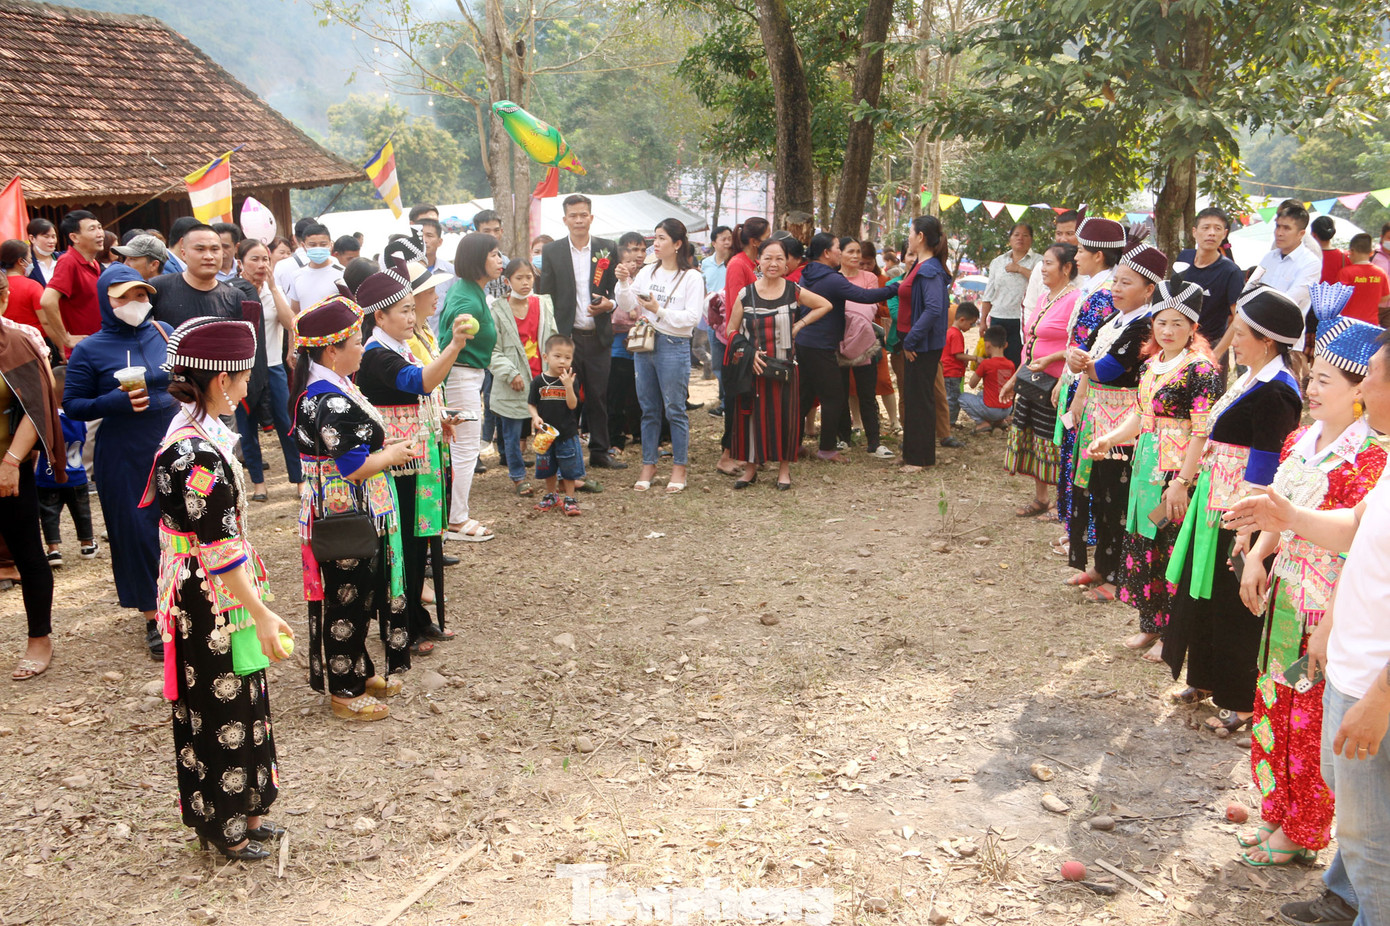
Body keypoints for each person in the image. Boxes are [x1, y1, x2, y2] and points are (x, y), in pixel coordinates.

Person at [1223, 324, 1390, 926]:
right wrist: (1268, 543)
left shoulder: (1374, 457)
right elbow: (1315, 517)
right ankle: (1291, 822)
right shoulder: (1312, 441)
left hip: (1339, 621)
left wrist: (1332, 625)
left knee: (1317, 729)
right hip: (1303, 601)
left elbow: (1354, 552)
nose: (1309, 387)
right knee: (1282, 710)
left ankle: (1306, 834)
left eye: (1325, 379)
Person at [141, 316, 292, 860]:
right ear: (220, 379)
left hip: (216, 589)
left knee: (244, 689)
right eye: (244, 377)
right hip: (207, 597)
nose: (248, 388)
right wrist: (262, 611)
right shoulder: (195, 454)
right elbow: (219, 546)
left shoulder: (201, 436)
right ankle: (223, 823)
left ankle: (250, 810)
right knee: (218, 697)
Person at [1162, 286, 1306, 733]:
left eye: (1240, 333)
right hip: (1215, 502)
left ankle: (1240, 699)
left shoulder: (1277, 392)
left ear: (1266, 341)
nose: (1232, 340)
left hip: (1239, 511)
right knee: (1203, 592)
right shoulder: (1247, 378)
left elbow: (1265, 466)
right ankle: (1205, 679)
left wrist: (1248, 528)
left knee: (1234, 604)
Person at [292, 296, 416, 720]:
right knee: (347, 597)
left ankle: (359, 671)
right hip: (346, 513)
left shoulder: (334, 389)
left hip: (350, 511)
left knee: (361, 595)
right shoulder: (331, 401)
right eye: (357, 342)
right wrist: (395, 454)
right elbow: (356, 468)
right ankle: (344, 691)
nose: (363, 348)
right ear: (332, 350)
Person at [1085, 282, 1221, 657]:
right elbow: (1141, 416)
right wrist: (1109, 439)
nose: (1168, 331)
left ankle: (1173, 634)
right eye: (1162, 322)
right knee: (1146, 542)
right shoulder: (1152, 364)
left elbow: (1202, 432)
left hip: (1176, 472)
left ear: (1193, 327)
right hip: (1146, 468)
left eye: (1178, 323)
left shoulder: (1201, 371)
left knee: (1171, 547)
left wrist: (1183, 482)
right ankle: (1151, 623)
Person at [355, 260, 474, 653]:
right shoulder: (376, 355)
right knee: (400, 544)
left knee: (418, 541)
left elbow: (419, 396)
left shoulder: (400, 345)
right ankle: (398, 627)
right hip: (395, 464)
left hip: (415, 460)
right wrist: (456, 345)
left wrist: (437, 417)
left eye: (411, 308)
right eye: (404, 310)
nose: (411, 316)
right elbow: (420, 382)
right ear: (380, 316)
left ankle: (417, 621)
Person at [64, 264, 178, 660]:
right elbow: (72, 404)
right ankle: (153, 615)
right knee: (136, 529)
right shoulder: (89, 349)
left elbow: (188, 376)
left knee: (182, 522)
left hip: (173, 438)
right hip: (123, 450)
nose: (135, 304)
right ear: (104, 300)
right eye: (123, 297)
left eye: (141, 295)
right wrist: (112, 402)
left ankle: (188, 600)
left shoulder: (165, 332)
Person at [1063, 244, 1168, 602]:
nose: (1117, 289)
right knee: (1099, 495)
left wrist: (1080, 361)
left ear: (1149, 289)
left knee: (1118, 501)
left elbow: (1106, 368)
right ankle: (1102, 565)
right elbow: (1090, 361)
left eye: (1127, 283)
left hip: (1124, 425)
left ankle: (1119, 575)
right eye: (1116, 282)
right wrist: (1080, 366)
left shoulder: (1145, 327)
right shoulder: (1116, 320)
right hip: (1098, 418)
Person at [725, 237, 832, 490]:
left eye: (779, 259)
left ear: (787, 264)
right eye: (768, 258)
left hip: (784, 367)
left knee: (785, 417)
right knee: (750, 417)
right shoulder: (746, 293)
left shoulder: (793, 290)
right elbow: (731, 329)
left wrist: (799, 325)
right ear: (758, 261)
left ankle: (784, 470)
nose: (773, 264)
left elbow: (825, 305)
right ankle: (750, 469)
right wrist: (749, 355)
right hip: (755, 367)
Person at [0, 269, 66, 681]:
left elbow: (36, 408)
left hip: (7, 468)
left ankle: (39, 638)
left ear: (3, 297)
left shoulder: (17, 343)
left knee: (27, 552)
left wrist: (11, 461)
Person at [614, 218, 706, 493]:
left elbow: (692, 318)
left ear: (677, 244)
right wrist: (623, 282)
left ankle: (680, 467)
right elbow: (628, 304)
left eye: (662, 238)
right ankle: (648, 464)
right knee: (648, 408)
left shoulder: (691, 277)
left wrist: (659, 310)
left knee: (675, 408)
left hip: (674, 345)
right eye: (655, 237)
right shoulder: (647, 272)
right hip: (646, 344)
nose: (656, 243)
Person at [536, 195, 625, 470]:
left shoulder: (607, 248)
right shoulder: (552, 252)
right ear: (565, 220)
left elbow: (616, 291)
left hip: (597, 336)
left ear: (591, 218)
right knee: (564, 395)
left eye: (583, 214)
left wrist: (610, 305)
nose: (578, 220)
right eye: (573, 215)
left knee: (598, 395)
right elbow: (546, 295)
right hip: (567, 338)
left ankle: (600, 451)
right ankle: (566, 450)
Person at [1054, 218, 1128, 546]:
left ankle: (1084, 533)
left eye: (1082, 250)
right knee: (1075, 459)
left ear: (1099, 256)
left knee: (1082, 461)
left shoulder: (1103, 294)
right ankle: (1076, 529)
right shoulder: (1094, 287)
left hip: (1087, 384)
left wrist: (1071, 381)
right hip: (1079, 379)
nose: (1077, 255)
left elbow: (1087, 347)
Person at [798, 233, 897, 464]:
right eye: (838, 248)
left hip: (806, 342)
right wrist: (895, 289)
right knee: (833, 397)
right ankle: (827, 449)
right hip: (821, 345)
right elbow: (862, 296)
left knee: (805, 395)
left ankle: (791, 444)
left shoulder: (808, 274)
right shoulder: (831, 278)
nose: (841, 253)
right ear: (827, 253)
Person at [1002, 243, 1082, 513]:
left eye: (1048, 263)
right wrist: (1014, 378)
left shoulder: (1076, 299)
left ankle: (1060, 503)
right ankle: (1041, 498)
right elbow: (1030, 344)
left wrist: (1061, 378)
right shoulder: (1044, 298)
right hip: (1031, 380)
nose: (1042, 268)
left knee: (1052, 441)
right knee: (1033, 438)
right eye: (1043, 263)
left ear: (1067, 268)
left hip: (1055, 383)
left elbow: (1077, 345)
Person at [437, 232, 504, 541]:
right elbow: (451, 331)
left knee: (462, 448)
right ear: (478, 260)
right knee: (465, 449)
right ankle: (456, 519)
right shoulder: (465, 296)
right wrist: (459, 327)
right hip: (461, 377)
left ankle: (452, 514)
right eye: (493, 255)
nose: (499, 259)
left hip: (469, 375)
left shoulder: (473, 290)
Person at [230, 239, 300, 498]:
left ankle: (298, 478)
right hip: (244, 369)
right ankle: (258, 483)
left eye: (265, 260)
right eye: (254, 260)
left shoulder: (274, 290)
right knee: (246, 426)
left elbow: (289, 323)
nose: (261, 265)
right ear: (240, 263)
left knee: (286, 423)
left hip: (273, 367)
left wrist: (272, 287)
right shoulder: (232, 291)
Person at [491, 258, 556, 496]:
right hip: (514, 380)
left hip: (543, 377)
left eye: (529, 277)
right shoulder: (497, 309)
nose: (525, 282)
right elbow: (492, 349)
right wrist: (510, 373)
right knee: (512, 430)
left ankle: (548, 471)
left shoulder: (543, 303)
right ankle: (518, 477)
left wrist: (557, 367)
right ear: (508, 281)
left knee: (546, 428)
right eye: (519, 278)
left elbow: (554, 337)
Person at [897, 217, 953, 472]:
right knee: (914, 397)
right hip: (916, 341)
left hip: (922, 345)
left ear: (920, 237)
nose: (908, 237)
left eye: (910, 232)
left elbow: (933, 309)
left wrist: (911, 340)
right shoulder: (921, 266)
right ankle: (912, 453)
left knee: (920, 399)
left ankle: (919, 459)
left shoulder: (929, 269)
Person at [717, 219, 770, 477]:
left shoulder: (756, 264)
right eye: (768, 236)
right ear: (756, 241)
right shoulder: (738, 264)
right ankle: (726, 455)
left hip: (757, 341)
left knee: (752, 399)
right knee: (736, 399)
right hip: (741, 343)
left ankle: (748, 453)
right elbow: (739, 305)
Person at [35, 365, 95, 567]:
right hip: (76, 474)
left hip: (47, 475)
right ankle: (86, 543)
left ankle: (54, 549)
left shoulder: (45, 419)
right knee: (82, 512)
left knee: (49, 514)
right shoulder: (79, 417)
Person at [838, 237, 893, 458]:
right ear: (839, 253)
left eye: (858, 251)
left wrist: (848, 312)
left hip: (865, 343)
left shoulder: (870, 277)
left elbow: (869, 307)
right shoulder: (834, 278)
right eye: (850, 251)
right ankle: (842, 438)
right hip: (838, 343)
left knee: (867, 394)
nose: (855, 256)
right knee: (840, 393)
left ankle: (874, 442)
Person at [1174, 207, 1245, 376]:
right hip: (1179, 343)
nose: (1211, 233)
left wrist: (1217, 353)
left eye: (1217, 228)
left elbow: (1239, 318)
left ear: (1224, 234)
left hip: (1211, 345)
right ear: (1194, 232)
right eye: (1206, 228)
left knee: (1208, 401)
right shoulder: (1184, 258)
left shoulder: (1231, 271)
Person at [528, 334, 586, 514]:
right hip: (545, 435)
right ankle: (551, 495)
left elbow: (573, 405)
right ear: (546, 357)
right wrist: (535, 416)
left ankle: (570, 498)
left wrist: (568, 386)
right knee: (547, 467)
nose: (562, 361)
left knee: (569, 467)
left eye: (567, 358)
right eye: (557, 356)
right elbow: (532, 403)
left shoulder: (570, 380)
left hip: (567, 433)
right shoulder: (538, 381)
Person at [150, 225, 244, 327]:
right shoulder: (157, 288)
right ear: (184, 254)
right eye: (200, 249)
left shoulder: (235, 297)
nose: (209, 256)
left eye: (214, 249)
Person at [38, 210, 104, 355]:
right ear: (74, 237)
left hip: (99, 344)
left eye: (99, 227)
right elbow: (47, 301)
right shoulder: (68, 261)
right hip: (85, 351)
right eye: (92, 229)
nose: (100, 233)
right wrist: (66, 339)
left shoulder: (93, 263)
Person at [606, 233, 648, 455]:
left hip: (645, 344)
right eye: (632, 251)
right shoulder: (613, 278)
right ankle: (616, 439)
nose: (637, 256)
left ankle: (642, 433)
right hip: (619, 345)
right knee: (617, 393)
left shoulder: (650, 275)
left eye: (641, 250)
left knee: (640, 393)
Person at [981, 223, 1039, 367]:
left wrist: (1020, 269)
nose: (1020, 238)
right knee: (995, 362)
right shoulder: (998, 262)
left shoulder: (1039, 261)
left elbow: (1043, 282)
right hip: (998, 318)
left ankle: (1013, 389)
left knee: (1017, 360)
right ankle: (996, 389)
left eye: (1025, 235)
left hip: (1023, 320)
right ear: (1010, 239)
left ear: (1031, 239)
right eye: (1016, 235)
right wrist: (983, 320)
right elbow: (989, 293)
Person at [1257, 204, 1320, 314]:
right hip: (1255, 323)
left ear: (1301, 234)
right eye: (1278, 226)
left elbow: (1288, 301)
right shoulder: (1269, 257)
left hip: (1285, 328)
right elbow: (1250, 290)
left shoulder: (1311, 263)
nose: (1279, 233)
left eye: (1286, 228)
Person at [701, 225, 733, 405]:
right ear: (714, 243)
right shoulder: (706, 264)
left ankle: (729, 400)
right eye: (723, 239)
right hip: (713, 320)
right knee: (718, 363)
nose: (727, 242)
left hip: (732, 319)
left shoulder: (735, 262)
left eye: (730, 238)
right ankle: (724, 400)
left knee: (731, 362)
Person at [960, 325, 1014, 432]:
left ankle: (982, 423)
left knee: (962, 398)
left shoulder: (986, 364)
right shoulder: (1011, 364)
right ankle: (1000, 421)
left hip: (992, 410)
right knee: (982, 394)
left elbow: (971, 384)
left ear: (987, 345)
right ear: (1006, 345)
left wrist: (978, 368)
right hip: (1007, 408)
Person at [285, 224, 344, 314]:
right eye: (312, 245)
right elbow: (295, 312)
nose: (318, 248)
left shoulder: (342, 273)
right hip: (307, 328)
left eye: (323, 244)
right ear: (303, 246)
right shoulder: (296, 275)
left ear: (331, 245)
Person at [1, 240, 49, 348]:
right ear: (21, 261)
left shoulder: (3, 285)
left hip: (6, 345)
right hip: (35, 343)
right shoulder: (32, 286)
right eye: (30, 258)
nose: (32, 262)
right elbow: (45, 322)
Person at [1337, 233, 1390, 326]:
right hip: (1371, 325)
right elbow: (1386, 296)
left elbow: (1338, 298)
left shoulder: (1345, 273)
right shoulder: (1381, 273)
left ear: (1351, 251)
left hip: (1348, 325)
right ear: (1371, 252)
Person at [942, 301, 979, 431]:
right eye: (970, 324)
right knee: (953, 399)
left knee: (949, 398)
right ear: (962, 319)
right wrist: (975, 358)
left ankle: (948, 422)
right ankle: (949, 423)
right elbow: (958, 355)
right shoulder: (956, 334)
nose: (971, 327)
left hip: (948, 372)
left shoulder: (949, 332)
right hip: (951, 373)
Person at [26, 218, 59, 287]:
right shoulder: (25, 263)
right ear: (32, 238)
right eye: (46, 237)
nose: (51, 241)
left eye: (53, 237)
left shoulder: (62, 258)